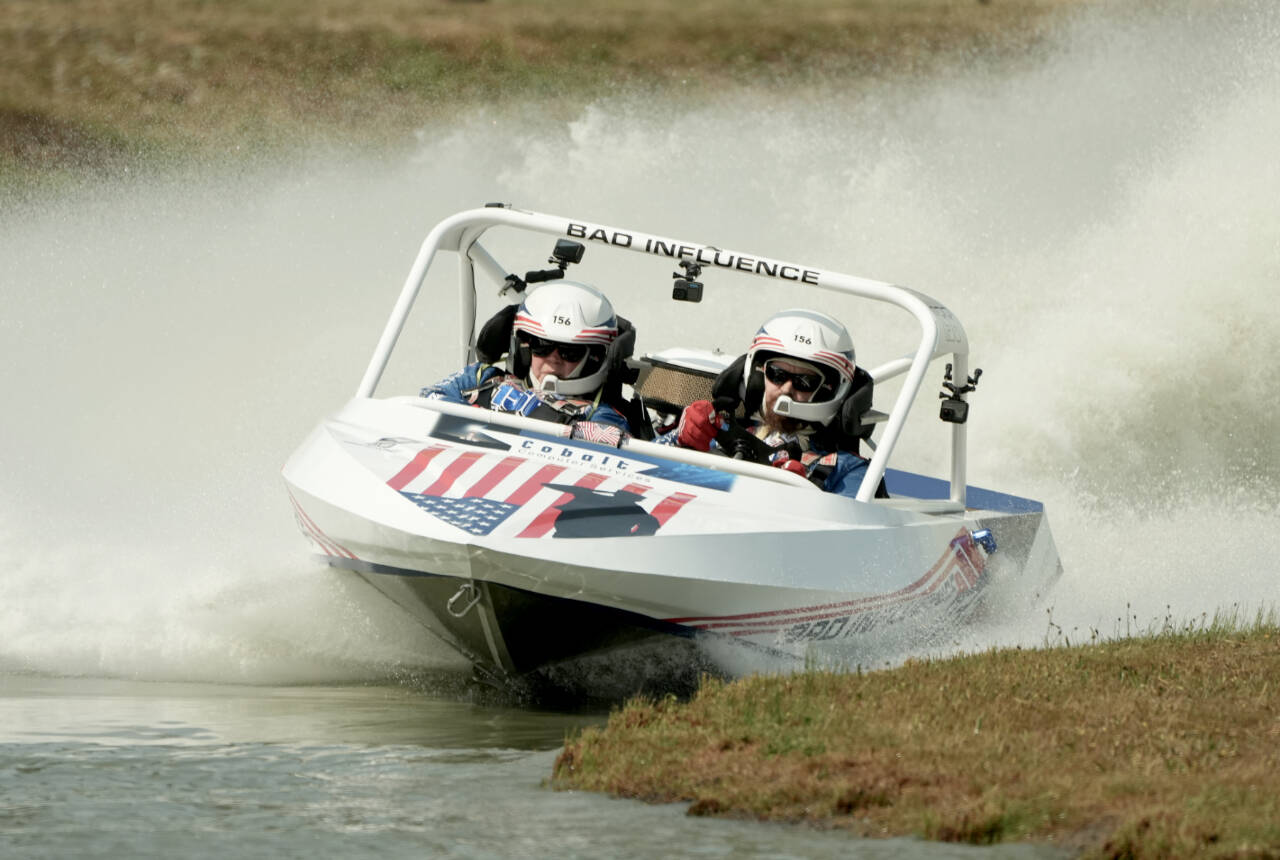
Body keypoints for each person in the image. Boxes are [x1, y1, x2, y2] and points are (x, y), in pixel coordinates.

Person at [663, 309, 870, 497]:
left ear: (829, 390)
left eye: (805, 381)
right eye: (777, 374)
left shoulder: (847, 467)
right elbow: (638, 476)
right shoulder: (719, 430)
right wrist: (679, 441)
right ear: (757, 376)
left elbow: (854, 531)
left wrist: (801, 497)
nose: (787, 389)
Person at [421, 280, 632, 442]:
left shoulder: (600, 414)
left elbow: (604, 448)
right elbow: (428, 400)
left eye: (570, 352)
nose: (553, 359)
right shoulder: (481, 377)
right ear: (524, 347)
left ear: (594, 357)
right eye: (542, 346)